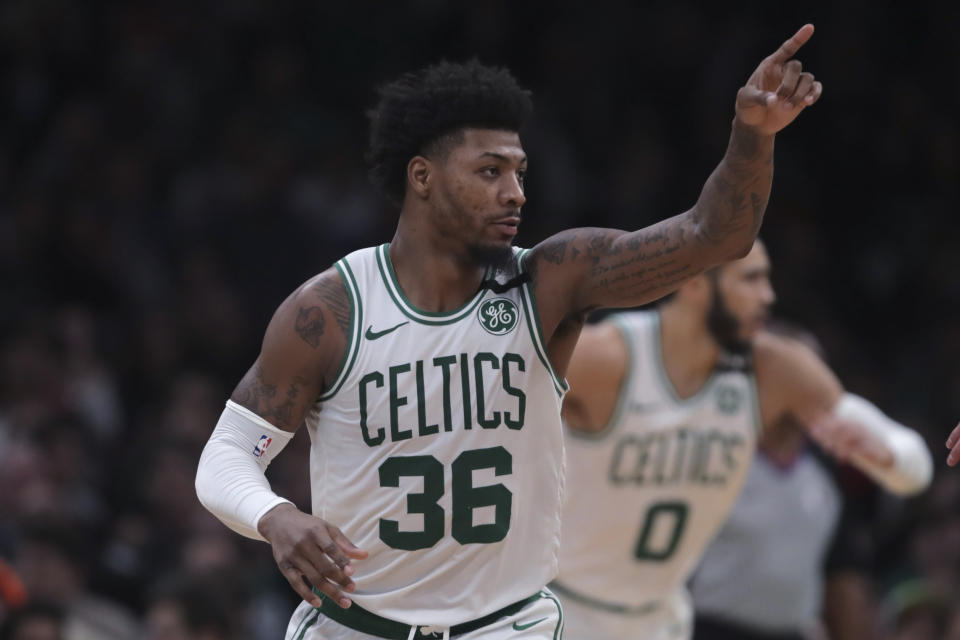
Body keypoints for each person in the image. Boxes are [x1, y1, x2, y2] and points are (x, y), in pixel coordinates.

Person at [196, 25, 824, 640]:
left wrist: (752, 138)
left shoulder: (548, 283)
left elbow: (711, 238)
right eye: (491, 171)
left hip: (506, 625)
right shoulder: (331, 310)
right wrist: (274, 516)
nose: (516, 192)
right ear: (423, 177)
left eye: (520, 172)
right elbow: (227, 455)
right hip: (357, 626)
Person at [553, 239, 933, 640]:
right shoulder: (604, 359)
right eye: (751, 280)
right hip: (561, 610)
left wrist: (885, 456)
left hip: (661, 619)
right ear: (695, 282)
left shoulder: (773, 369)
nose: (767, 296)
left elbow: (917, 467)